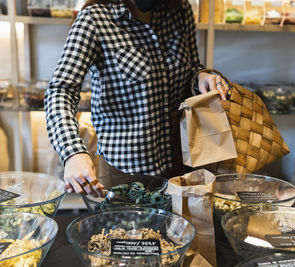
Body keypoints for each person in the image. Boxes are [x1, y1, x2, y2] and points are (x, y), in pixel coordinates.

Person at [44, 0, 229, 198]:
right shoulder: (95, 19)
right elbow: (60, 91)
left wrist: (202, 77)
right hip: (125, 175)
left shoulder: (179, 11)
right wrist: (73, 153)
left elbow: (192, 66)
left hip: (182, 164)